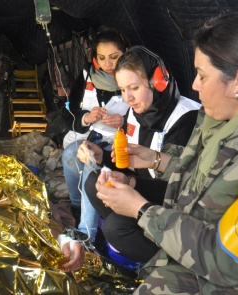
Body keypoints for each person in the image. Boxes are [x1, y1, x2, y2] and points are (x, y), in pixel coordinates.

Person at [91, 11, 238, 294]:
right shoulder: (225, 114)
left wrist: (141, 209)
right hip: (200, 237)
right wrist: (157, 160)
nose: (194, 84)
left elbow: (228, 260)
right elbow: (215, 173)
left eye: (202, 75)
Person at [79, 46, 200, 253]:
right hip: (145, 190)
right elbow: (128, 161)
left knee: (116, 226)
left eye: (133, 88)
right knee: (93, 182)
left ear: (158, 83)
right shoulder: (135, 112)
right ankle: (132, 242)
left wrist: (131, 184)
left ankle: (163, 259)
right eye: (123, 90)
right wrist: (102, 157)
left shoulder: (186, 118)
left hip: (175, 202)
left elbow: (178, 189)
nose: (127, 98)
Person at [61, 26, 131, 226]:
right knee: (69, 155)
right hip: (90, 135)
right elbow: (70, 112)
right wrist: (86, 118)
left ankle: (87, 230)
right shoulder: (87, 74)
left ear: (126, 52)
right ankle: (76, 206)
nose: (107, 64)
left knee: (91, 166)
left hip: (120, 143)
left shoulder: (137, 75)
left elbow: (150, 117)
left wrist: (124, 123)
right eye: (101, 58)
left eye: (114, 57)